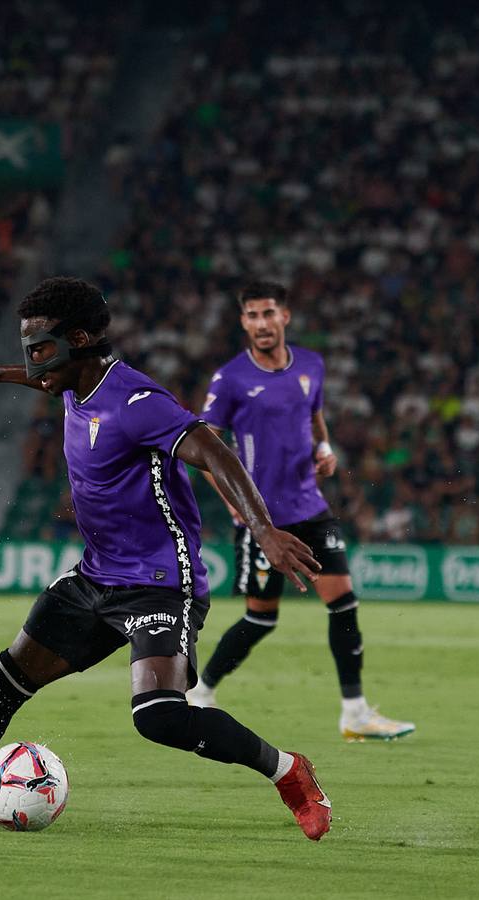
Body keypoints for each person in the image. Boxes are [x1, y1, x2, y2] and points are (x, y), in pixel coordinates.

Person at [0, 277, 334, 841]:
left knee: (159, 717)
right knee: (1, 681)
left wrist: (265, 530)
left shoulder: (138, 403)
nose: (33, 364)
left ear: (80, 339)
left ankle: (289, 772)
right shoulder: (75, 381)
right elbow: (52, 381)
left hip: (158, 580)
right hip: (94, 576)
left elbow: (215, 452)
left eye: (40, 351)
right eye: (27, 352)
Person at [187, 281, 415, 742]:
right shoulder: (230, 379)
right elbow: (202, 446)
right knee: (260, 618)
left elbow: (314, 414)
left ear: (285, 316)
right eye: (251, 315)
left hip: (312, 507)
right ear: (243, 323)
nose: (261, 323)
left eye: (268, 313)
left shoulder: (311, 365)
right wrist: (235, 503)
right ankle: (200, 692)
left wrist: (325, 446)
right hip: (264, 519)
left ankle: (354, 712)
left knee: (344, 604)